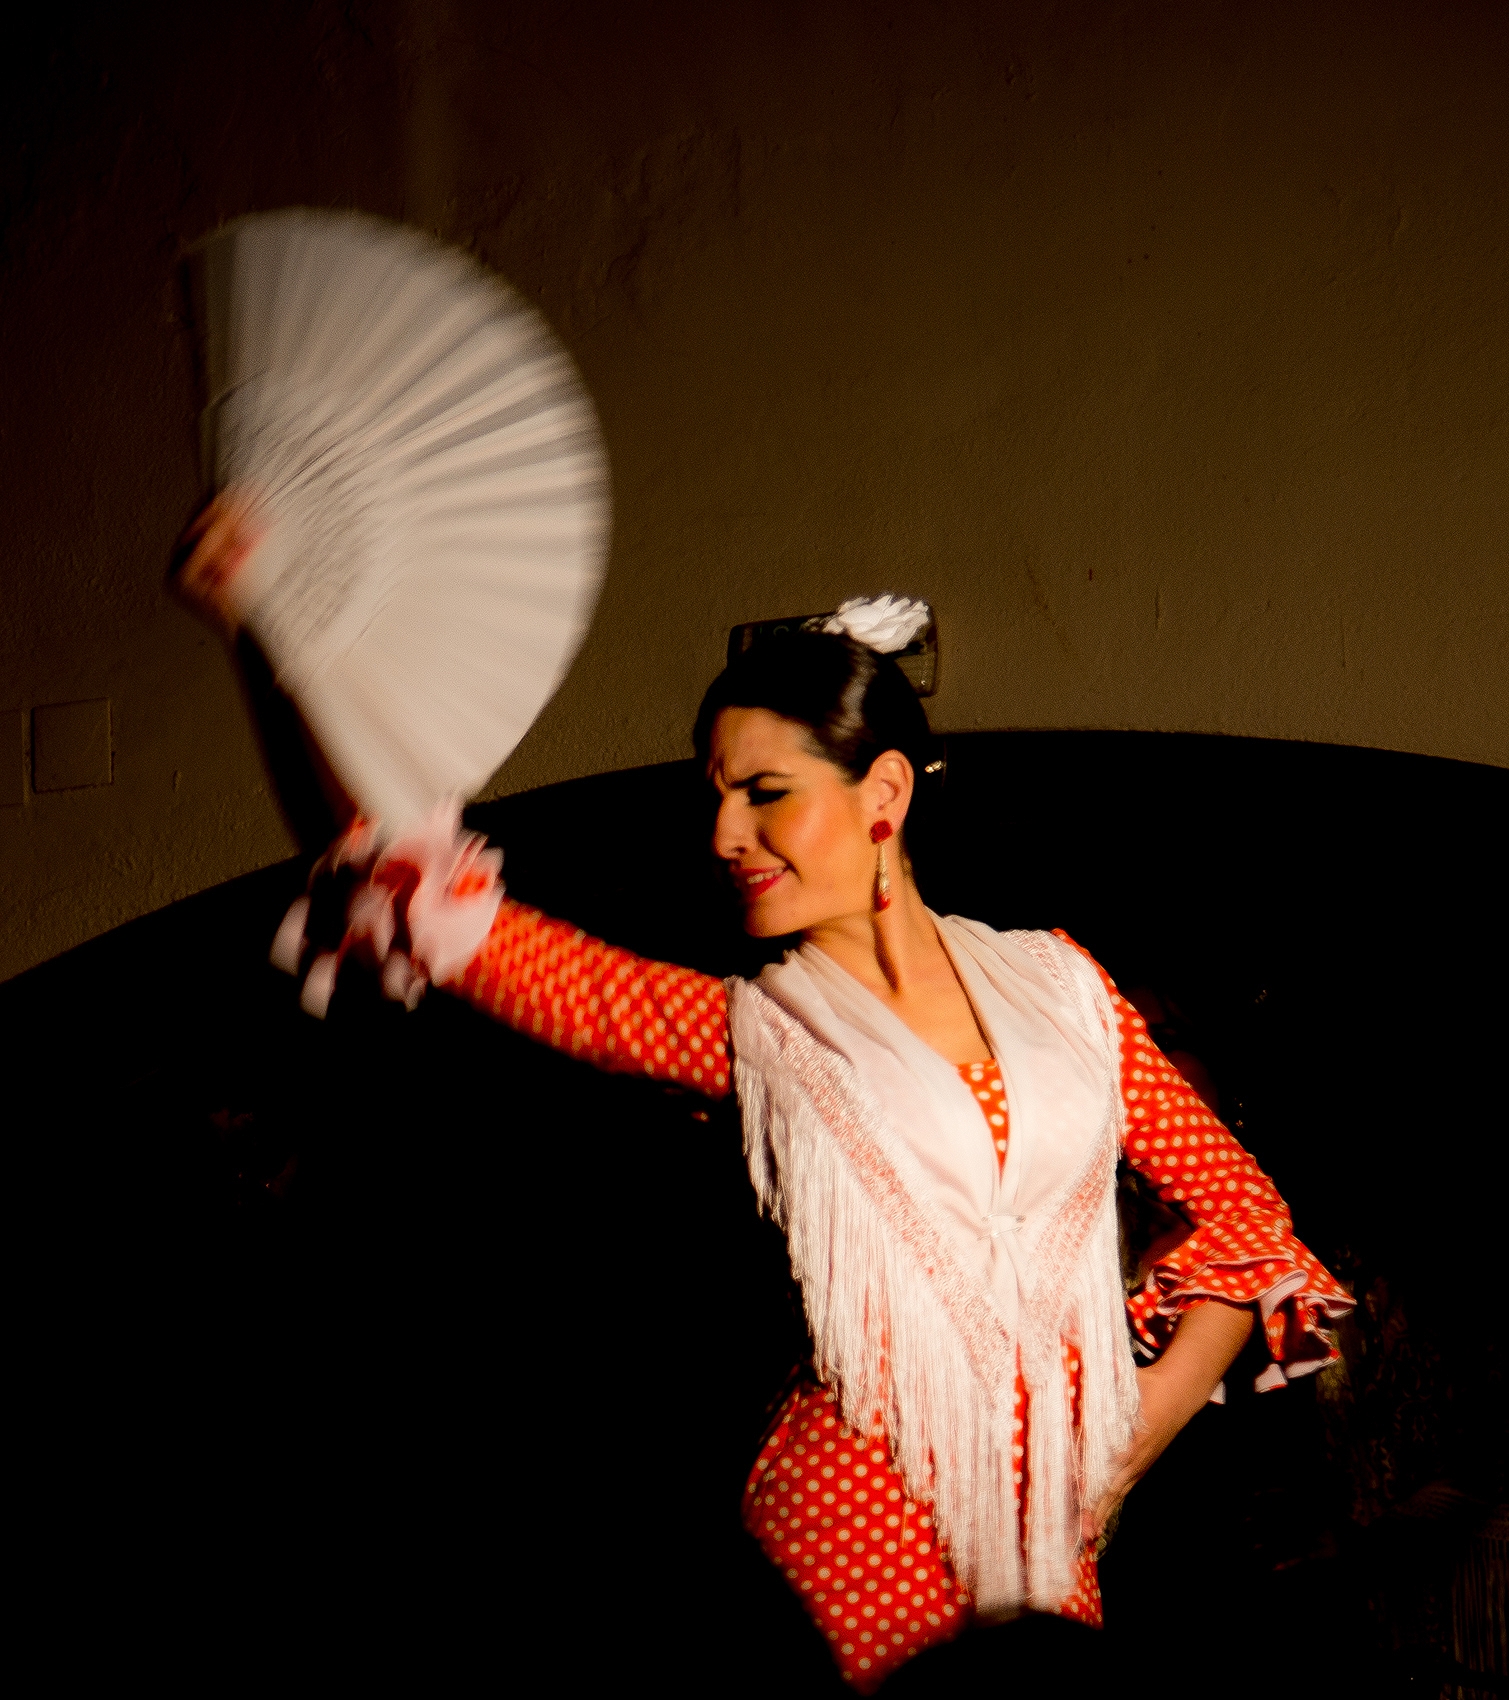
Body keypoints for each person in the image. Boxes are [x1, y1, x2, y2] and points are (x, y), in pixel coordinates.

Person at [176, 525, 1354, 1690]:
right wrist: (267, 630)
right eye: (716, 795)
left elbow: (1245, 1218)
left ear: (882, 791)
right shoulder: (749, 1029)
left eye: (766, 792)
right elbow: (408, 882)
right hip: (850, 1526)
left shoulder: (1065, 990)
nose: (724, 833)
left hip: (1051, 1544)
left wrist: (1132, 1432)